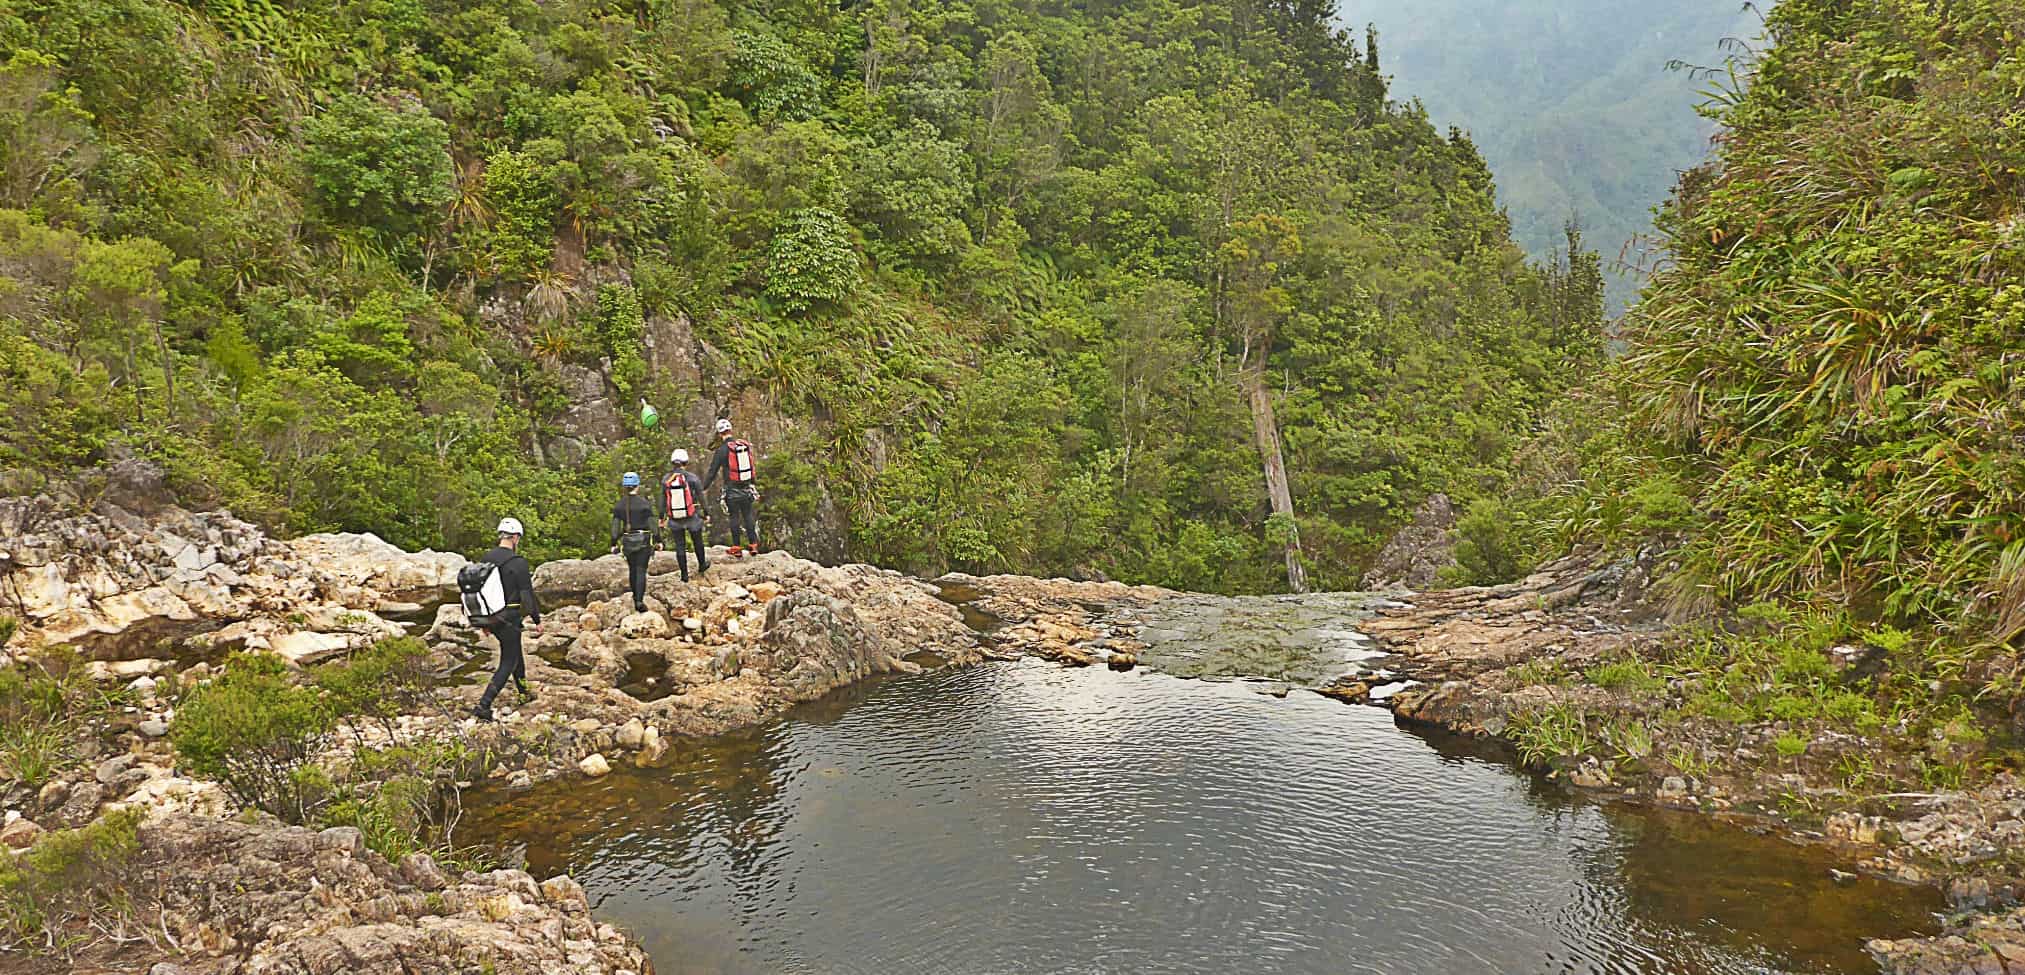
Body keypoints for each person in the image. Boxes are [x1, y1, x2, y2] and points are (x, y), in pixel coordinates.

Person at [473, 517, 541, 722]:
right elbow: (527, 596)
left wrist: (482, 622)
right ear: (515, 537)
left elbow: (479, 591)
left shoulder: (486, 558)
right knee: (508, 661)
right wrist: (537, 620)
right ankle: (484, 705)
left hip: (490, 617)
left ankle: (523, 692)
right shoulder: (517, 563)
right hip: (509, 617)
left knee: (515, 652)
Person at [700, 417, 761, 556]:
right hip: (746, 487)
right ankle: (753, 545)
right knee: (748, 516)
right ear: (731, 430)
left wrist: (703, 488)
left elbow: (712, 472)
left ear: (719, 433)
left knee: (734, 517)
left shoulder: (722, 450)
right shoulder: (742, 446)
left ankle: (737, 547)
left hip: (732, 490)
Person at [610, 472, 658, 612]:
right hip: (642, 540)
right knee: (641, 570)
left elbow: (615, 527)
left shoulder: (620, 505)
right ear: (637, 485)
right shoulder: (644, 504)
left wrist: (613, 543)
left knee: (632, 569)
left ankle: (634, 597)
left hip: (627, 541)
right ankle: (639, 600)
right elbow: (652, 524)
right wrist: (658, 540)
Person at [660, 449, 710, 582]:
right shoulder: (692, 478)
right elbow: (701, 497)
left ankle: (684, 575)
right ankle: (702, 565)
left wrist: (661, 518)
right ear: (686, 462)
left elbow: (663, 501)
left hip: (675, 518)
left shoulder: (666, 479)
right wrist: (706, 513)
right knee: (698, 542)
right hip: (691, 517)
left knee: (680, 545)